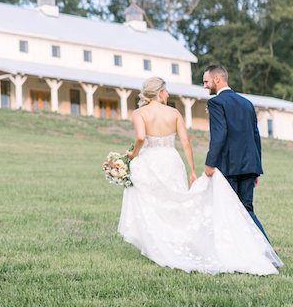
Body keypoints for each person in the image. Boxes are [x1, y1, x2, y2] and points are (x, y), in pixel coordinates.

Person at [117, 76, 282, 275]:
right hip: (171, 160)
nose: (168, 94)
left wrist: (133, 154)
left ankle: (158, 244)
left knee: (154, 203)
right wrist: (193, 170)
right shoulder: (174, 113)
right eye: (166, 91)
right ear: (159, 92)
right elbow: (186, 143)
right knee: (177, 204)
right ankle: (177, 243)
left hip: (150, 160)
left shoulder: (139, 113)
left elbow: (141, 137)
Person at [202, 64, 268, 239]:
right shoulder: (247, 103)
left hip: (229, 166)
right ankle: (264, 250)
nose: (205, 86)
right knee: (246, 209)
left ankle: (251, 250)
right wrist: (256, 169)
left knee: (228, 209)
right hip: (249, 164)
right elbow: (255, 136)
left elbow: (219, 134)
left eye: (206, 81)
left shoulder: (215, 102)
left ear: (217, 79)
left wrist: (210, 163)